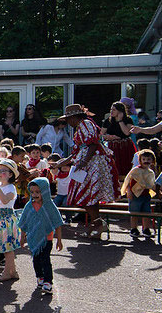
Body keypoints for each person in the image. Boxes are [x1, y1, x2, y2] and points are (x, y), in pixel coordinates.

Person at [55, 104, 119, 238]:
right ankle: (96, 224)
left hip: (92, 164)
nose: (67, 122)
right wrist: (62, 162)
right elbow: (77, 151)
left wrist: (84, 162)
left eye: (68, 119)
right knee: (87, 196)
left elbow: (93, 143)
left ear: (74, 117)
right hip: (86, 164)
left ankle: (98, 224)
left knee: (85, 195)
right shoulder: (81, 127)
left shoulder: (85, 123)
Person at [18, 177, 64, 296]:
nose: (35, 194)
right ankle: (40, 278)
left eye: (38, 192)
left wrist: (59, 240)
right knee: (36, 260)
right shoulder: (29, 206)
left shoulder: (49, 206)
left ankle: (48, 282)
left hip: (47, 238)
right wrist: (22, 237)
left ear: (44, 191)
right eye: (32, 192)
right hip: (33, 238)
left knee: (46, 260)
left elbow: (57, 223)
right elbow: (24, 223)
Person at [123, 149, 156, 239]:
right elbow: (128, 182)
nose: (146, 161)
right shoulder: (135, 170)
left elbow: (151, 184)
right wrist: (128, 192)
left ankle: (146, 229)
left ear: (152, 160)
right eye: (144, 159)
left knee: (146, 213)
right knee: (134, 213)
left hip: (145, 195)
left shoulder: (150, 172)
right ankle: (133, 228)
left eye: (148, 159)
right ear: (140, 160)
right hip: (135, 195)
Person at [101, 101, 137, 175]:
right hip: (113, 147)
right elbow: (100, 134)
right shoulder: (108, 121)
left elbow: (127, 132)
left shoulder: (127, 120)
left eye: (114, 110)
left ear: (120, 111)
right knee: (114, 167)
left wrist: (120, 120)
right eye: (111, 109)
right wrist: (107, 137)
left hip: (125, 146)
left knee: (126, 166)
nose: (111, 111)